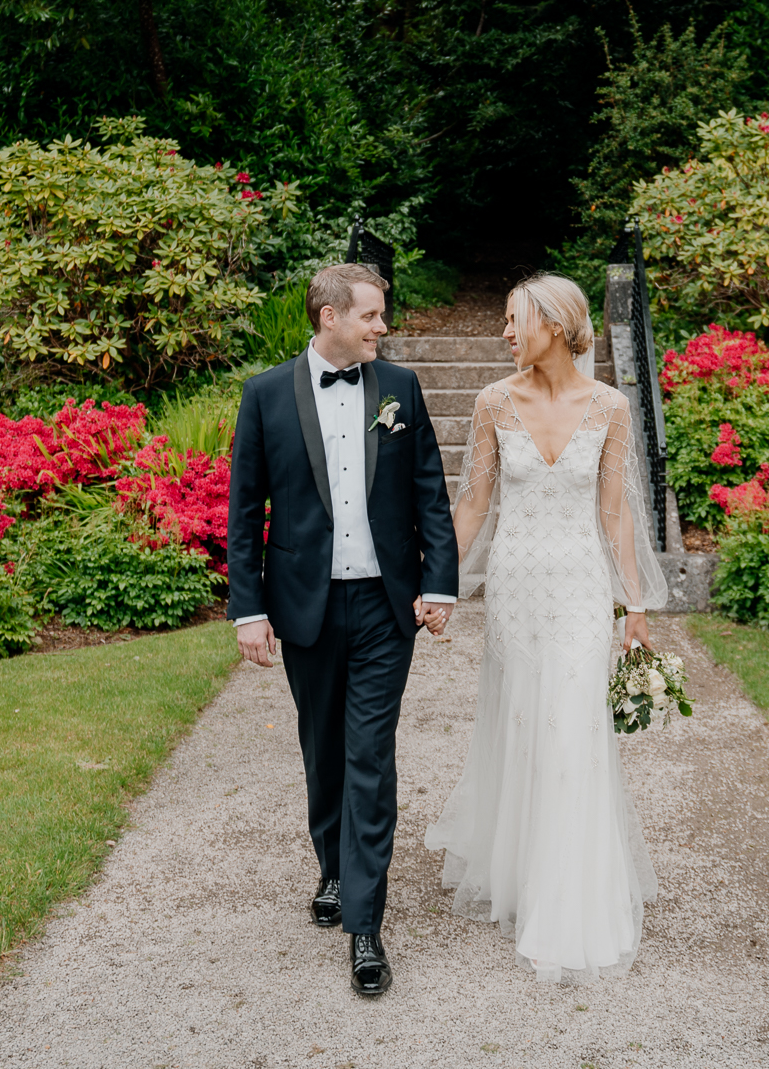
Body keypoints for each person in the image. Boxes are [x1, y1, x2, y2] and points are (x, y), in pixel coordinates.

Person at [424, 272, 668, 983]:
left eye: (513, 320)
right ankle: (528, 873)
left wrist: (635, 605)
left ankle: (571, 904)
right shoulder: (492, 402)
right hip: (516, 590)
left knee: (573, 729)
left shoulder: (612, 407)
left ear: (556, 325)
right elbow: (471, 503)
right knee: (528, 725)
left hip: (580, 591)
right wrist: (438, 584)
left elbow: (617, 513)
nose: (503, 333)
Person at [226, 262, 460, 998]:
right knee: (323, 751)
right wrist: (249, 608)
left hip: (387, 610)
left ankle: (365, 922)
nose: (382, 327)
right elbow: (243, 512)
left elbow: (430, 489)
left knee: (370, 757)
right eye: (372, 315)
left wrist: (439, 584)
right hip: (307, 608)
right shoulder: (265, 395)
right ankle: (332, 865)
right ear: (330, 317)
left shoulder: (400, 390)